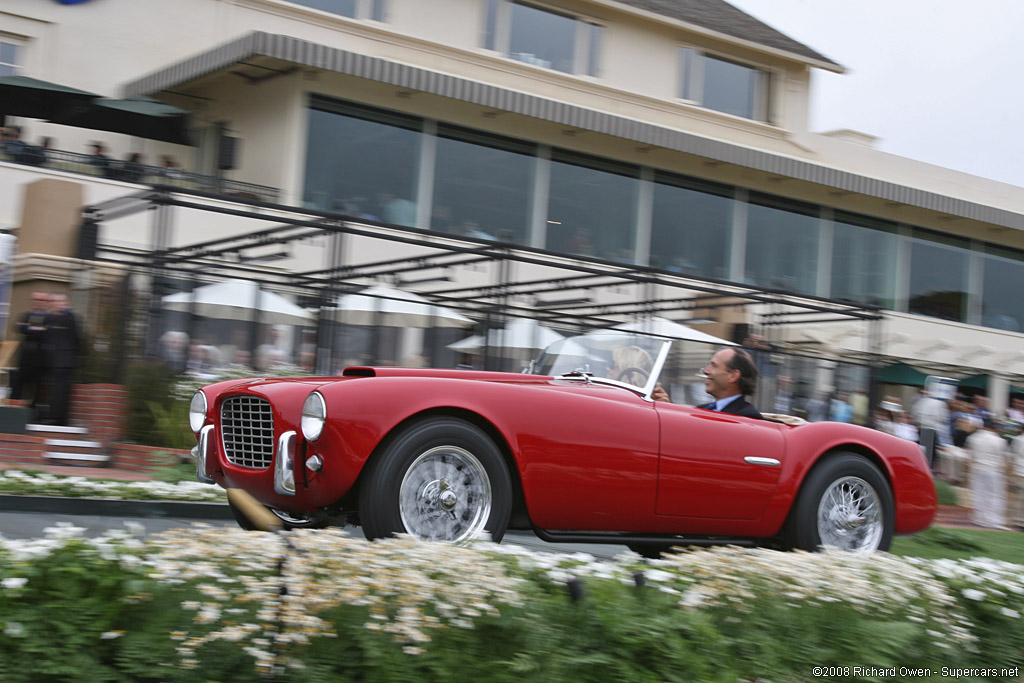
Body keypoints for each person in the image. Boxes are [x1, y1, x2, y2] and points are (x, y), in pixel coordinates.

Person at [656, 347, 762, 419]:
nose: (706, 371)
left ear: (733, 376)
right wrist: (665, 408)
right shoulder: (702, 409)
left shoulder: (747, 417)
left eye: (714, 366)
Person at [43, 292, 81, 426]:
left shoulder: (69, 317)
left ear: (65, 303)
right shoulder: (53, 317)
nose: (55, 304)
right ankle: (58, 417)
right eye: (53, 301)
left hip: (64, 359)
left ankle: (56, 417)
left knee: (60, 389)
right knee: (58, 388)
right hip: (56, 359)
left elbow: (77, 338)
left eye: (58, 301)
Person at [10, 292, 51, 417]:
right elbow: (18, 328)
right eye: (35, 299)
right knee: (17, 388)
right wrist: (36, 329)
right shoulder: (26, 315)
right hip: (24, 359)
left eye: (41, 300)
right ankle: (12, 413)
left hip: (40, 360)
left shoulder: (49, 318)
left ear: (46, 302)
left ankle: (32, 416)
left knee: (37, 390)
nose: (38, 302)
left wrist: (30, 328)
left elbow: (46, 334)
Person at [966, 417, 1010, 530]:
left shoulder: (973, 438)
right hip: (993, 470)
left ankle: (980, 519)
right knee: (994, 496)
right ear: (994, 428)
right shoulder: (1000, 440)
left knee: (979, 494)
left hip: (977, 468)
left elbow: (970, 455)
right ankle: (994, 521)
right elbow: (1003, 458)